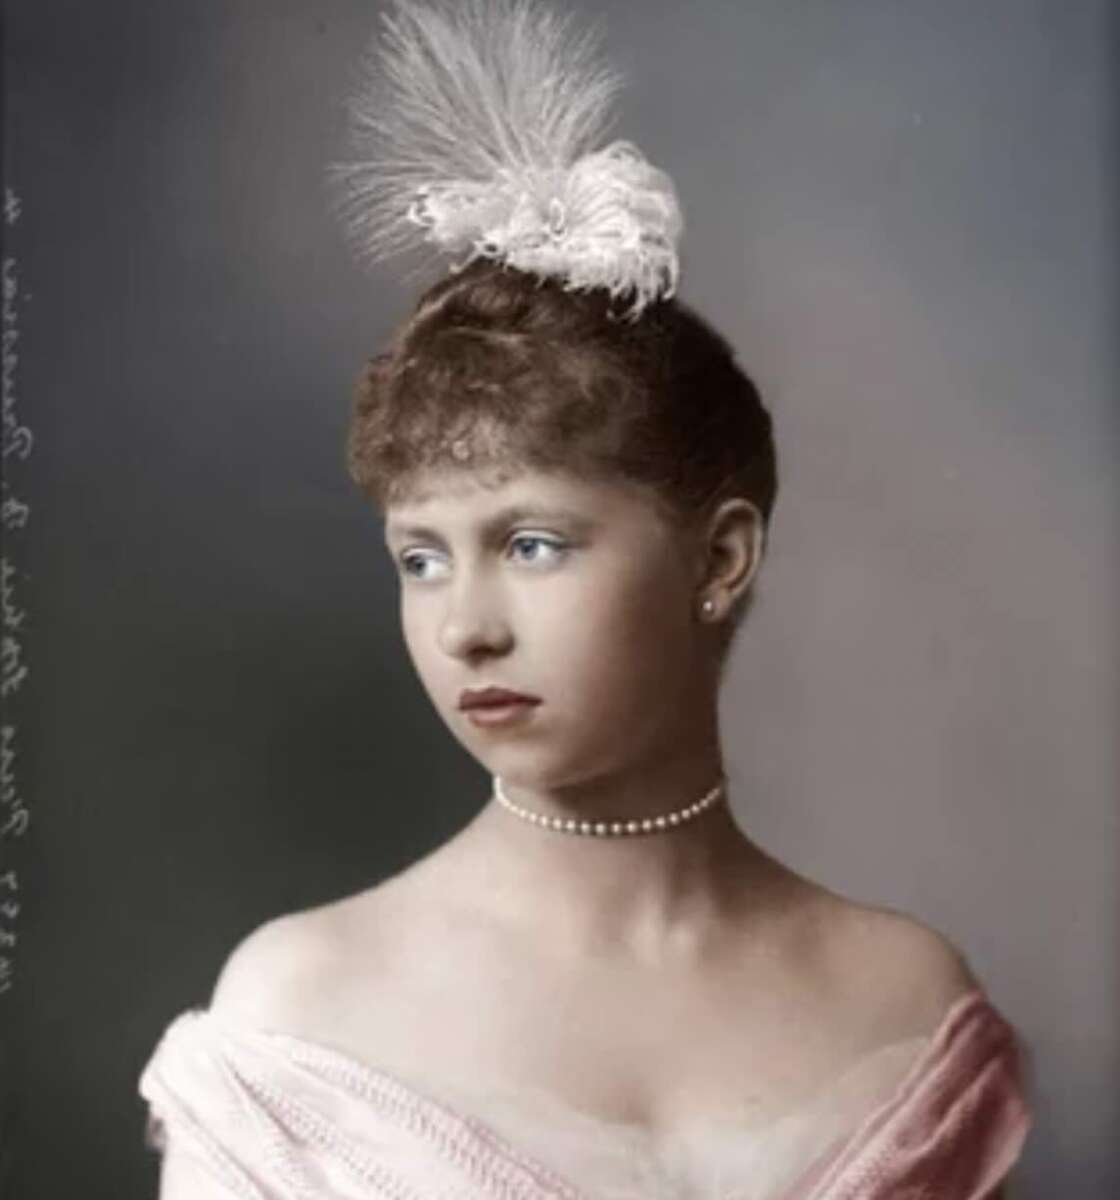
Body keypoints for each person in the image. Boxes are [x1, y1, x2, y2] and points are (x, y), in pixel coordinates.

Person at [138, 2, 1033, 1196]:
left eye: (533, 544)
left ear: (719, 560)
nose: (466, 627)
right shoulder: (299, 1013)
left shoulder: (909, 1005)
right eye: (421, 559)